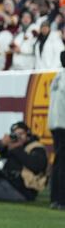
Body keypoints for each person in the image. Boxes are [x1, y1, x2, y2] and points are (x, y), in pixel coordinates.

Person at [49, 53, 65, 210]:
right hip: (63, 123)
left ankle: (55, 198)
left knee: (58, 161)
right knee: (62, 162)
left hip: (55, 123)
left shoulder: (58, 77)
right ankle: (61, 199)